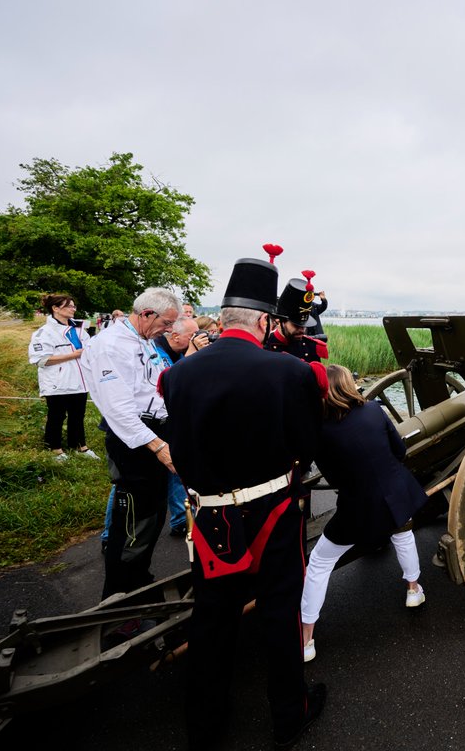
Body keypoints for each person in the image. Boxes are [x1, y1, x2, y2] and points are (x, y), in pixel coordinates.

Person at [160, 257, 326, 751]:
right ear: (262, 321)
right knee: (279, 614)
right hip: (273, 512)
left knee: (212, 621)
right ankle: (288, 718)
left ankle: (205, 727)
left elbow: (179, 445)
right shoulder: (290, 373)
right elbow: (307, 446)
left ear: (226, 314)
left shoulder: (178, 376)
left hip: (211, 517)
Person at [300, 363, 428, 663]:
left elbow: (332, 476)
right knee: (403, 532)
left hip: (357, 506)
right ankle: (413, 588)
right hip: (396, 492)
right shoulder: (373, 411)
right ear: (348, 385)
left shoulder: (319, 429)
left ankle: (306, 638)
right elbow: (399, 451)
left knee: (319, 563)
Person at [79, 287, 180, 601]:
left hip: (154, 429)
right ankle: (120, 597)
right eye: (166, 322)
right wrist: (159, 447)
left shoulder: (144, 339)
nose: (169, 330)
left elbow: (152, 386)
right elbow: (119, 410)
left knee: (153, 516)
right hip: (134, 442)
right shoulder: (109, 346)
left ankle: (140, 581)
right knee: (134, 523)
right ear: (147, 314)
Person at [152, 316, 208, 536]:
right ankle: (110, 536)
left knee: (176, 472)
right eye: (193, 335)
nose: (198, 338)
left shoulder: (174, 350)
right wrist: (193, 351)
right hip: (149, 422)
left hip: (168, 418)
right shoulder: (159, 351)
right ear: (175, 336)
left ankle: (179, 519)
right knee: (133, 485)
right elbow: (171, 380)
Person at [28, 293, 99, 461]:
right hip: (57, 382)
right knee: (57, 416)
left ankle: (80, 446)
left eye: (74, 306)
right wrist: (73, 355)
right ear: (55, 308)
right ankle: (55, 449)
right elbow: (40, 360)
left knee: (78, 415)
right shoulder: (44, 333)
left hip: (80, 381)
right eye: (69, 306)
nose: (73, 309)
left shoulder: (79, 329)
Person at [264, 277, 327, 363]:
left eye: (304, 325)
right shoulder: (264, 346)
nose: (302, 330)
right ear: (280, 321)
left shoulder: (310, 346)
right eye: (296, 325)